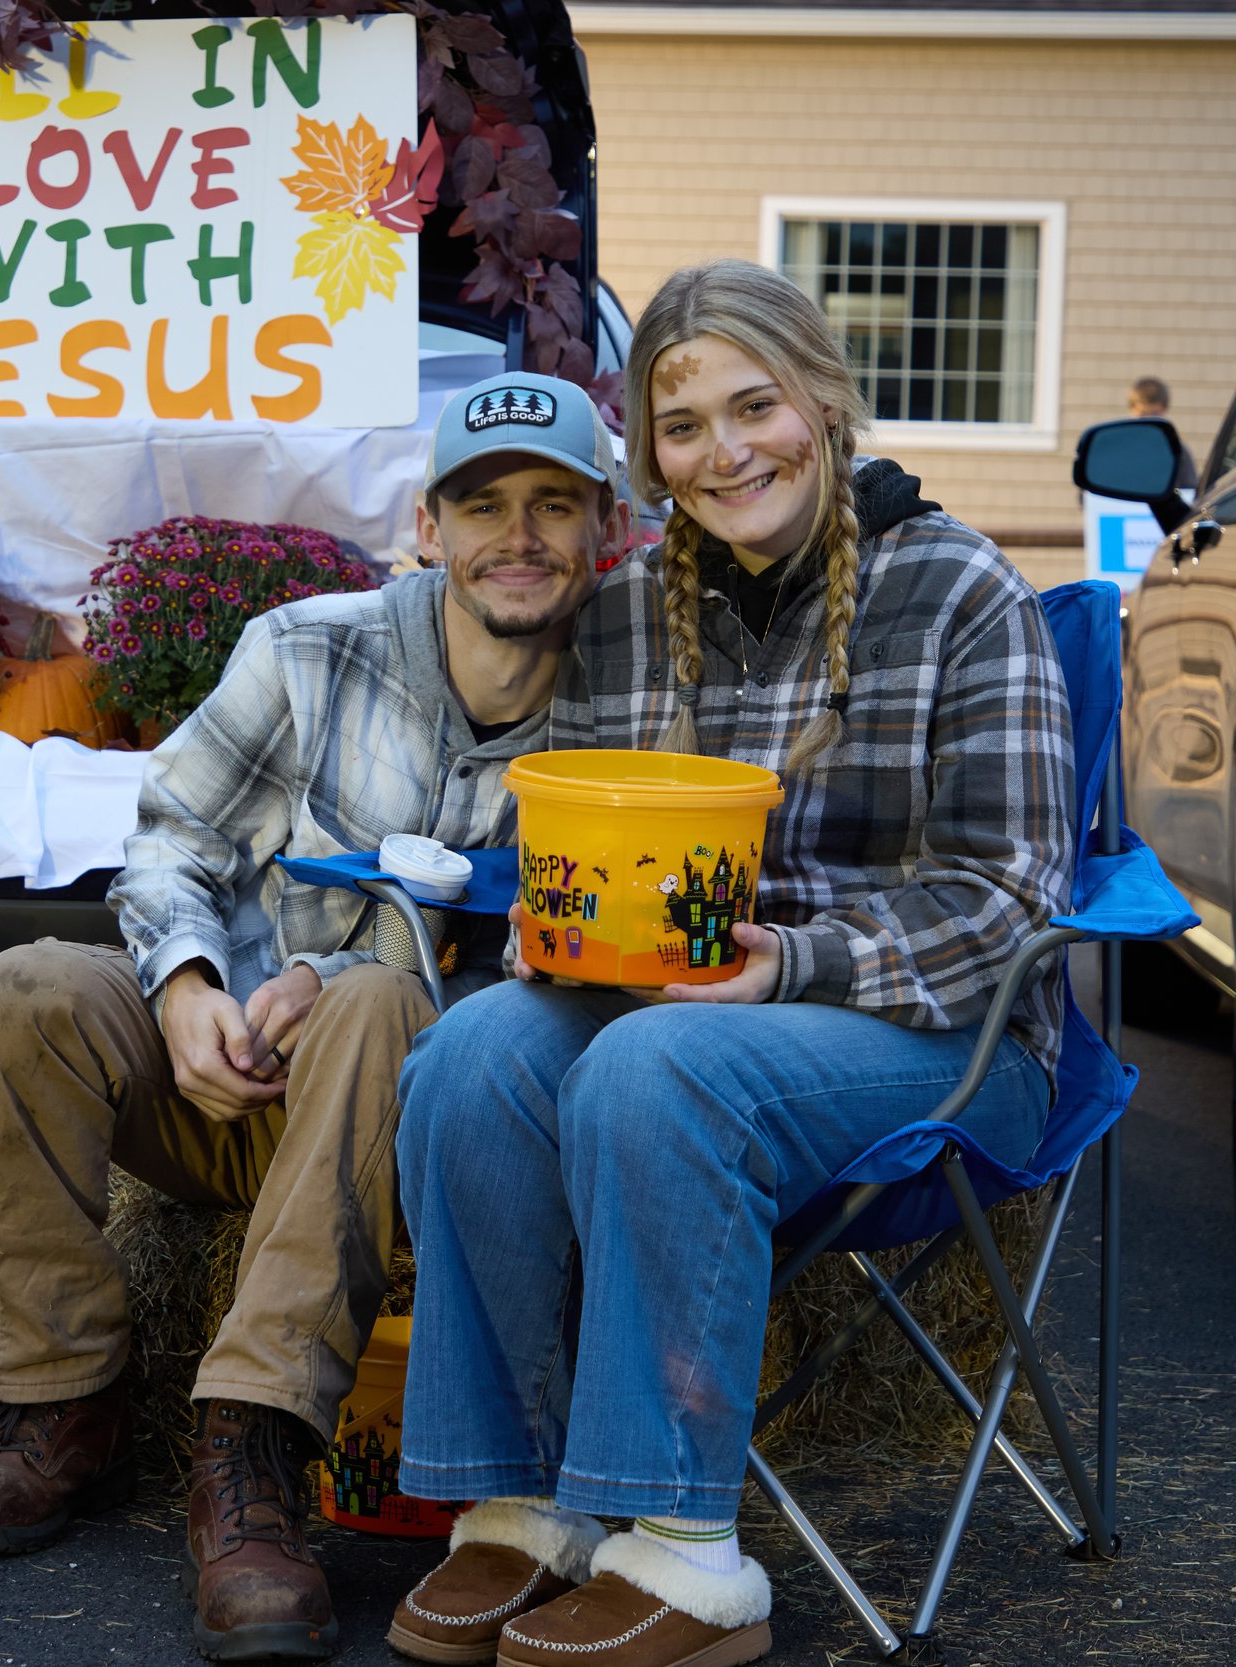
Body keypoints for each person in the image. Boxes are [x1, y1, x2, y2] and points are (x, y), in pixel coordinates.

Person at [383, 261, 1078, 1667]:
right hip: (685, 1010)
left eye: (754, 406)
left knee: (656, 1063)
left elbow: (1014, 898)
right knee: (470, 1048)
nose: (724, 450)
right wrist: (553, 918)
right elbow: (579, 832)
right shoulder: (635, 615)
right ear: (649, 453)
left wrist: (793, 961)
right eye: (683, 425)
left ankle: (685, 1550)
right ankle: (524, 1502)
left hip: (945, 1034)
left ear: (823, 399)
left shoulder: (957, 589)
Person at [0, 371, 628, 1662]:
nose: (517, 536)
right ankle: (59, 1399)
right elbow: (170, 841)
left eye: (554, 505)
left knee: (373, 998)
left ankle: (252, 1442)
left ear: (608, 532)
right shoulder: (311, 646)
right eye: (484, 505)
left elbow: (598, 982)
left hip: (406, 1134)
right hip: (225, 1087)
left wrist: (372, 970)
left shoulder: (623, 717)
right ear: (429, 526)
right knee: (23, 987)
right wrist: (189, 989)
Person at [1125, 375, 1199, 492]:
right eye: (1143, 414)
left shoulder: (1178, 451)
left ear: (1165, 410)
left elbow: (1190, 492)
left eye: (1154, 414)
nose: (1148, 421)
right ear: (1131, 409)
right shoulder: (1117, 450)